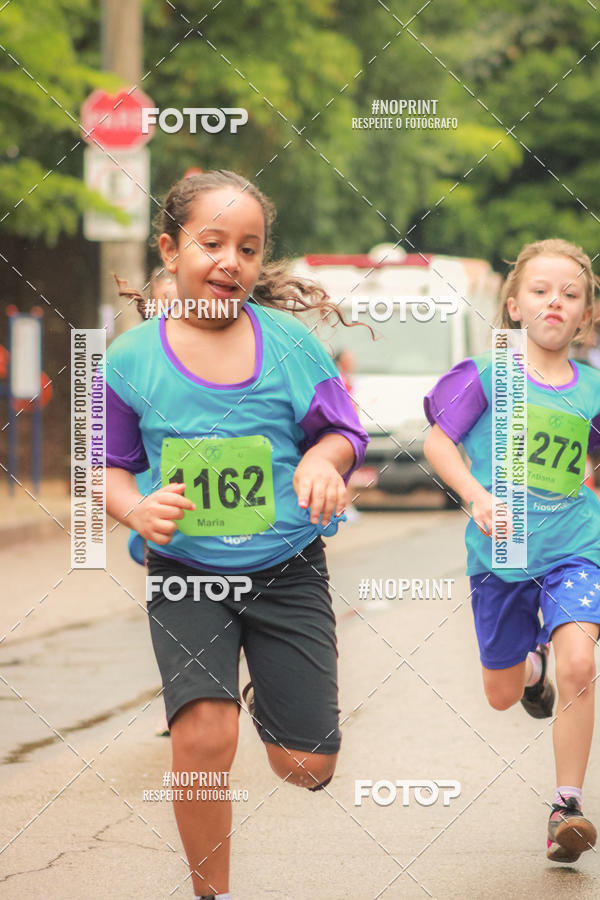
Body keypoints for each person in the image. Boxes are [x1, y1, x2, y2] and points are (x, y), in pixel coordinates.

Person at [102, 169, 368, 900]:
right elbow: (105, 468)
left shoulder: (288, 344)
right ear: (170, 248)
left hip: (287, 567)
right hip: (186, 570)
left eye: (248, 248)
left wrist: (322, 458)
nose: (231, 260)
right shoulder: (129, 360)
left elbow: (343, 431)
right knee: (203, 734)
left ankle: (264, 692)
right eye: (212, 242)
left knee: (306, 766)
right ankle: (210, 892)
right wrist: (135, 510)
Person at [422, 239, 600, 864]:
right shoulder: (485, 377)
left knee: (580, 662)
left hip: (576, 551)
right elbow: (439, 443)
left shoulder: (594, 391)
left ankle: (567, 807)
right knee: (500, 692)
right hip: (501, 556)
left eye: (571, 294)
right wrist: (475, 495)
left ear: (587, 315)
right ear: (515, 304)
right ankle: (530, 672)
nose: (556, 301)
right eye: (542, 290)